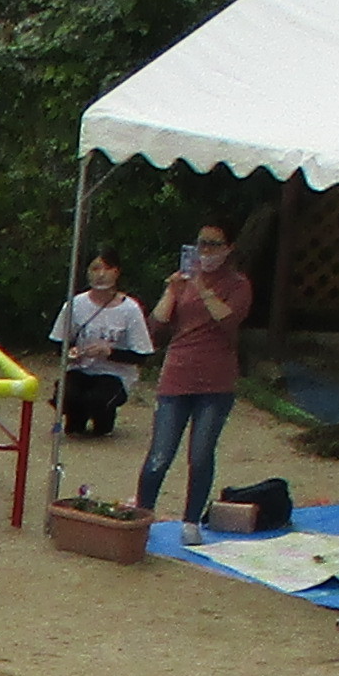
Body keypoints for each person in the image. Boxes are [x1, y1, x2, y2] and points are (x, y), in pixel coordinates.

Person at [136, 223, 251, 526]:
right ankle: (142, 516)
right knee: (159, 455)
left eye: (214, 244)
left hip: (216, 379)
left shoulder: (238, 284)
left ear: (228, 249)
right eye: (202, 244)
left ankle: (190, 522)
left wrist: (202, 288)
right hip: (178, 374)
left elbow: (229, 320)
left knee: (200, 456)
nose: (207, 251)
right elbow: (156, 325)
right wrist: (171, 292)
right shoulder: (184, 281)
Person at [47, 250, 149, 442]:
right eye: (95, 268)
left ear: (117, 272)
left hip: (114, 374)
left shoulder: (130, 309)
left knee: (98, 399)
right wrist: (71, 353)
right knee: (67, 393)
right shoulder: (75, 304)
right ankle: (75, 419)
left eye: (107, 268)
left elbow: (141, 355)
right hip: (80, 368)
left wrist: (109, 352)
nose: (101, 274)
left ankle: (103, 422)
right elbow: (59, 342)